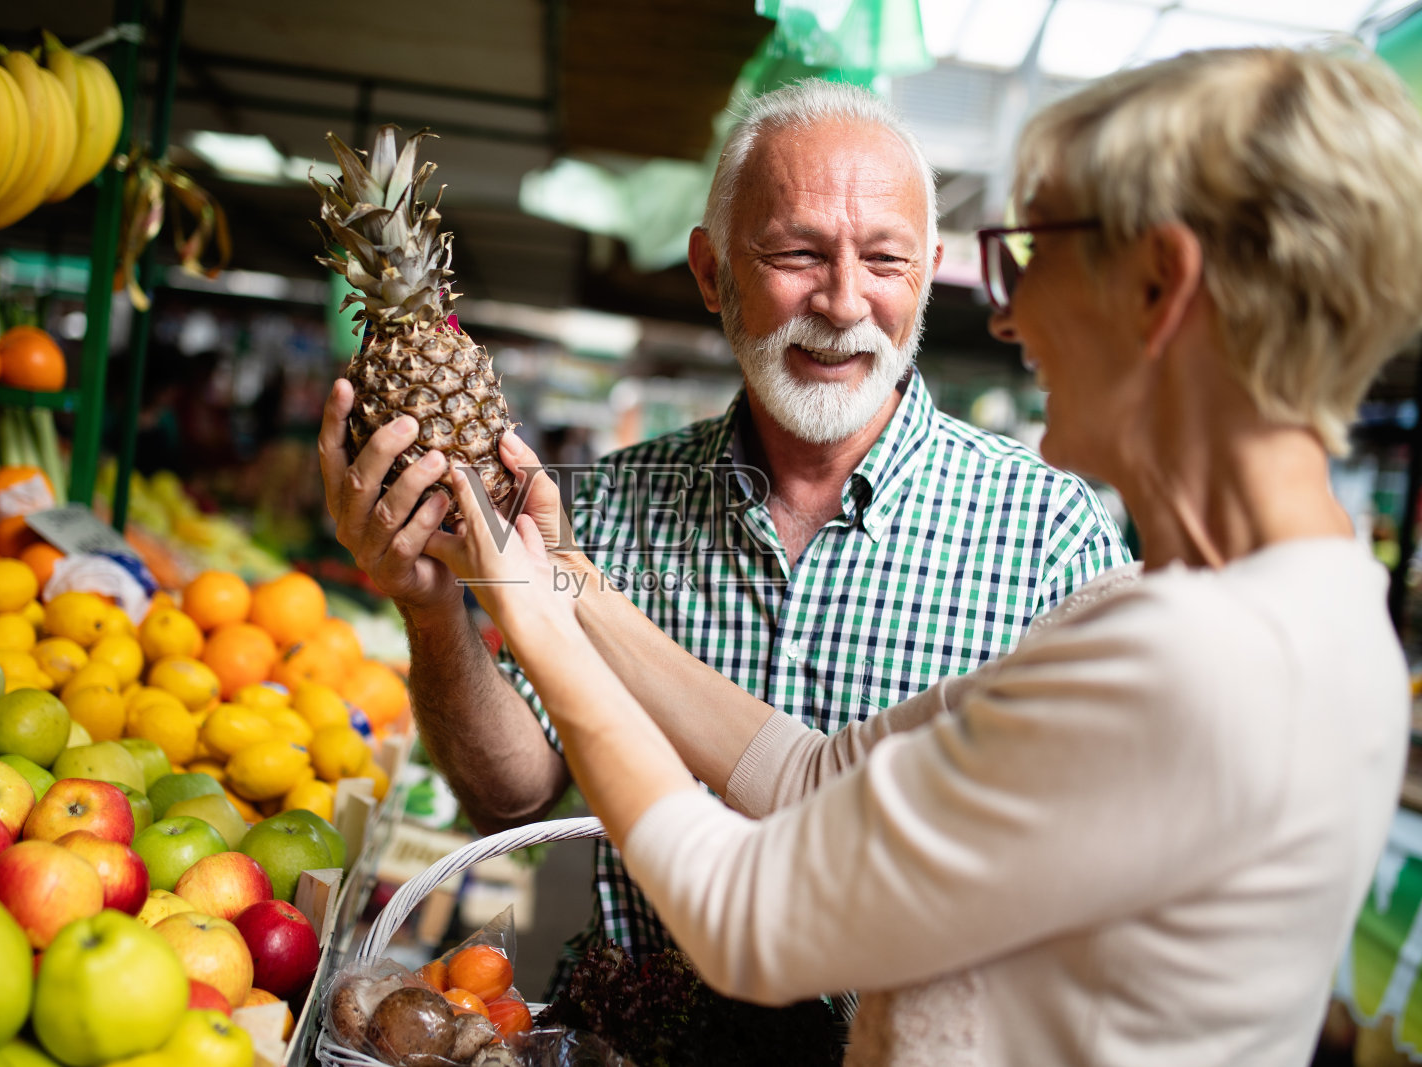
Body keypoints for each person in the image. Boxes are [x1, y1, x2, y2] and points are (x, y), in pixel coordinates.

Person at [422, 45, 1422, 1065]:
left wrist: (529, 604)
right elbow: (812, 773)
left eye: (1031, 253)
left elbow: (742, 913)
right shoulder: (1312, 612)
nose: (1002, 311)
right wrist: (568, 585)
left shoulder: (1193, 656)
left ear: (1160, 284)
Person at [319, 79, 1129, 971]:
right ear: (712, 273)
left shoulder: (1050, 534)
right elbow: (514, 803)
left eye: (887, 261)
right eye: (798, 252)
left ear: (930, 271)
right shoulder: (612, 501)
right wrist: (434, 612)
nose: (845, 301)